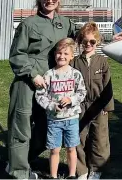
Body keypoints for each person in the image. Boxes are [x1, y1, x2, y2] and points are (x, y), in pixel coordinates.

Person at [6, 0, 76, 179]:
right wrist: (32, 74)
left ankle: (20, 159)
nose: (50, 1)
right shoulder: (28, 24)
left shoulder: (65, 23)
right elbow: (17, 54)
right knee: (22, 126)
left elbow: (81, 37)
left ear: (59, 0)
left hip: (52, 85)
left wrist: (115, 36)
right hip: (27, 82)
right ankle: (18, 172)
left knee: (47, 127)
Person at [35, 38, 87, 179]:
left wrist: (71, 100)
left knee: (71, 148)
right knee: (54, 150)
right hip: (54, 120)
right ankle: (53, 176)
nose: (62, 56)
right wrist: (52, 106)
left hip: (72, 119)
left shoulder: (75, 74)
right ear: (54, 55)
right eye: (59, 53)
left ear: (71, 56)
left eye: (65, 54)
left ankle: (71, 175)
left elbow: (82, 92)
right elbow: (40, 95)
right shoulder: (49, 75)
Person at [71, 22, 114, 179]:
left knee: (99, 138)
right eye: (84, 42)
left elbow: (107, 85)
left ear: (98, 42)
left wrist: (106, 106)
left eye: (92, 42)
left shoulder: (102, 62)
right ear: (80, 42)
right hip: (79, 105)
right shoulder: (74, 62)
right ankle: (81, 170)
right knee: (78, 137)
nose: (88, 45)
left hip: (98, 106)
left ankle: (96, 169)